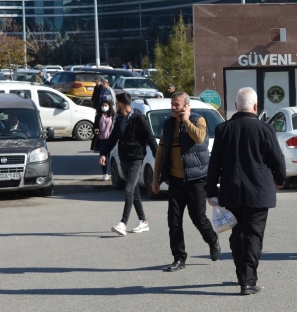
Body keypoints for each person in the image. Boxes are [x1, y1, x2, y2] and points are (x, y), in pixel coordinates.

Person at [206, 88, 286, 295]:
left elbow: (214, 164)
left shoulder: (223, 130)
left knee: (237, 234)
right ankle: (249, 281)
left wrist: (211, 191)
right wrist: (280, 180)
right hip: (259, 192)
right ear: (256, 106)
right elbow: (277, 159)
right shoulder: (265, 129)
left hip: (232, 191)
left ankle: (242, 276)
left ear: (235, 106)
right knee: (253, 236)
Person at [151, 92, 222, 272]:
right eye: (172, 104)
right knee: (173, 221)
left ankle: (213, 240)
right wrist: (155, 179)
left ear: (186, 106)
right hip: (175, 181)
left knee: (198, 218)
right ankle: (179, 258)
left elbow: (199, 137)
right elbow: (160, 153)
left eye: (177, 105)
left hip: (196, 180)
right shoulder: (167, 125)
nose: (173, 107)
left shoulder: (199, 120)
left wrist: (186, 120)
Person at [98, 93, 158, 237]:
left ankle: (123, 223)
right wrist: (104, 154)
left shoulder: (139, 119)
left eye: (116, 103)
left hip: (136, 158)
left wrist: (158, 159)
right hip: (123, 158)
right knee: (134, 190)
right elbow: (113, 138)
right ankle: (143, 221)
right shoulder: (119, 120)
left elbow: (150, 138)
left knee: (129, 189)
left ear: (120, 103)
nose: (114, 106)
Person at [93, 100, 115, 181]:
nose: (104, 107)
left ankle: (113, 173)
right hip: (101, 140)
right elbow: (94, 126)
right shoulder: (98, 116)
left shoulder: (112, 115)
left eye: (106, 105)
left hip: (110, 140)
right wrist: (95, 130)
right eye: (103, 105)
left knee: (111, 158)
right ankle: (105, 173)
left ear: (109, 106)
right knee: (103, 157)